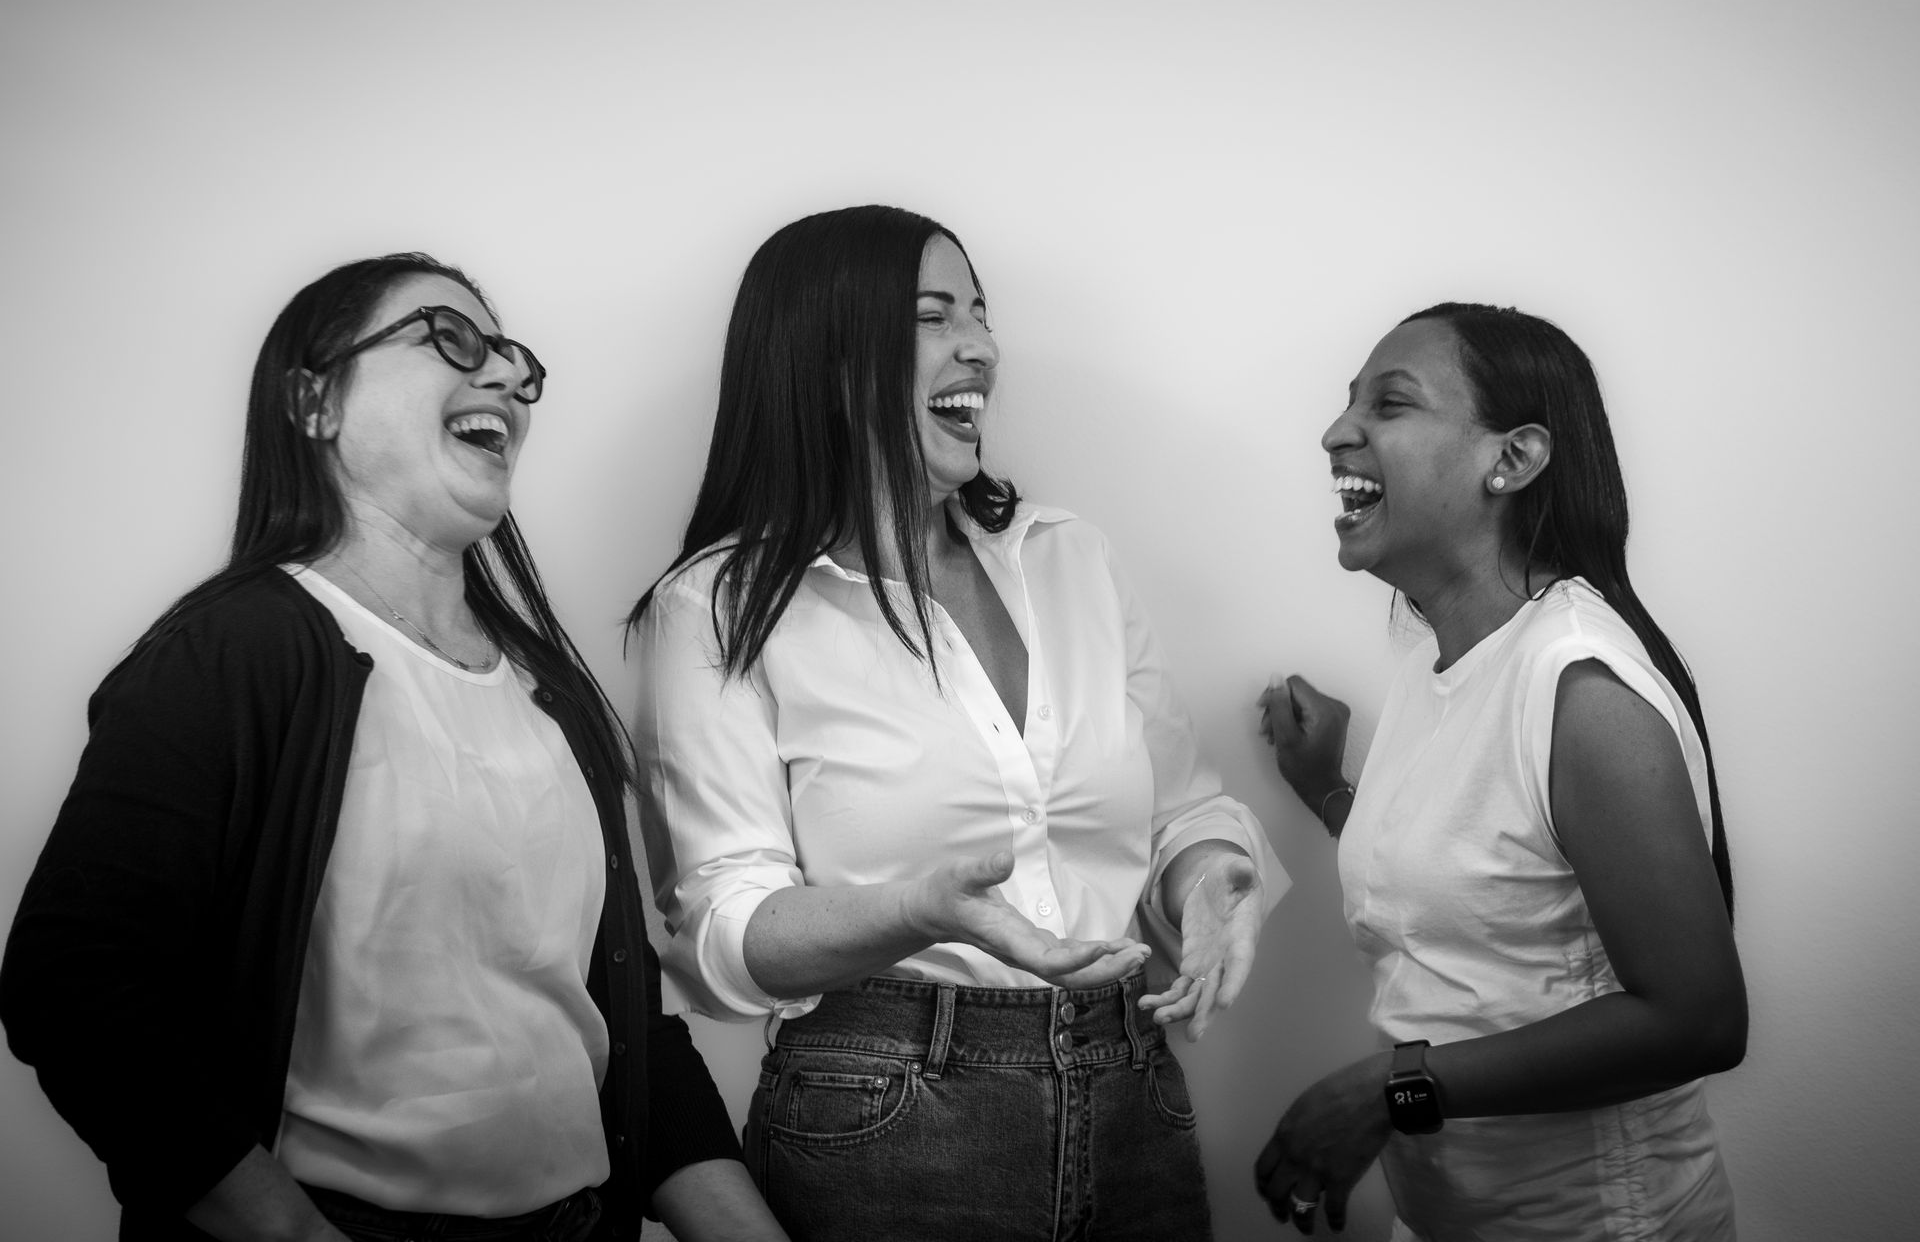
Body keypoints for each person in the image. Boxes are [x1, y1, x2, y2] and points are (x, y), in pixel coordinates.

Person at [1, 254, 786, 1242]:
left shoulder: (548, 689)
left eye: (515, 360)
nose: (508, 375)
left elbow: (624, 1029)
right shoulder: (231, 655)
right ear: (315, 401)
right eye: (450, 338)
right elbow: (74, 984)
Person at [628, 205, 1286, 1240]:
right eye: (933, 317)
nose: (980, 347)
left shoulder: (1071, 557)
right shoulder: (716, 607)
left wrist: (1209, 888)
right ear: (825, 362)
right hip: (888, 1112)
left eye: (980, 314)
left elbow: (1183, 813)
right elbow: (720, 933)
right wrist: (919, 908)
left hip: (1134, 1098)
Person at [1253, 303, 1745, 1240]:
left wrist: (1389, 1090)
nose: (1336, 432)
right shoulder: (1435, 654)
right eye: (1349, 401)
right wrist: (1327, 789)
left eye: (1389, 403)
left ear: (1512, 460)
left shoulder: (1582, 690)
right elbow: (1473, 880)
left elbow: (1701, 1022)